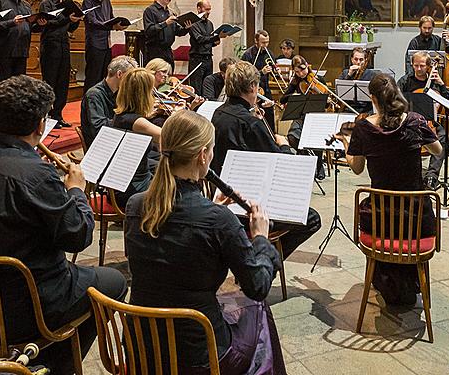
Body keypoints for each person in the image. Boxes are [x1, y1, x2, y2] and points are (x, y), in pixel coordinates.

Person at [0, 75, 128, 373]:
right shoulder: (36, 175)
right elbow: (77, 236)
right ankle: (53, 364)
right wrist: (75, 190)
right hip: (25, 307)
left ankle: (41, 361)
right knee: (114, 283)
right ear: (40, 125)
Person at [125, 110, 286, 373]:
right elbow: (257, 286)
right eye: (211, 150)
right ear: (202, 155)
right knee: (258, 309)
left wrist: (209, 209)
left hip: (142, 345)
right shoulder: (219, 220)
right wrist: (261, 239)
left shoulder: (135, 205)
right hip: (199, 353)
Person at [336, 73, 442, 306]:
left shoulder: (363, 128)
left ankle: (387, 281)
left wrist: (346, 142)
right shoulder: (414, 121)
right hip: (416, 220)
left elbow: (356, 168)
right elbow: (437, 150)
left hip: (380, 219)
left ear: (372, 98)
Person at [210, 61, 322, 260]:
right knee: (311, 219)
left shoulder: (218, 113)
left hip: (221, 199)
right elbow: (280, 164)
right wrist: (284, 144)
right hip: (247, 206)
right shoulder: (251, 123)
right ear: (253, 87)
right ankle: (262, 261)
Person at [112, 68, 163, 209]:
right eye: (151, 92)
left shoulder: (121, 115)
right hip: (134, 188)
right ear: (143, 95)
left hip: (123, 181)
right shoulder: (137, 122)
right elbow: (168, 136)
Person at [397, 52, 449, 184]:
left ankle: (432, 175)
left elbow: (448, 101)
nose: (418, 68)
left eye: (422, 65)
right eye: (416, 65)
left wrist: (442, 84)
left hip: (430, 122)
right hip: (409, 121)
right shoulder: (405, 81)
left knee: (442, 136)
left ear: (428, 66)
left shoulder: (435, 82)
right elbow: (396, 99)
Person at [36, 0, 84, 125]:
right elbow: (49, 23)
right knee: (50, 80)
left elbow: (69, 28)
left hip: (64, 45)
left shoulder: (67, 4)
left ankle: (57, 115)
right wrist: (67, 19)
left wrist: (74, 21)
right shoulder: (46, 4)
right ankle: (47, 115)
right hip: (50, 45)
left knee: (63, 82)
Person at [80, 55, 137, 148]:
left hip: (117, 140)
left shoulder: (120, 92)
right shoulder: (94, 94)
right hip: (101, 146)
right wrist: (126, 121)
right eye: (130, 77)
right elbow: (98, 128)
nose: (132, 81)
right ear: (119, 74)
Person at [83, 0, 127, 90]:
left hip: (106, 43)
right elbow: (92, 21)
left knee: (104, 76)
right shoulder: (88, 1)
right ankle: (89, 104)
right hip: (94, 43)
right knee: (93, 77)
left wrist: (118, 25)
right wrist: (112, 26)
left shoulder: (106, 0)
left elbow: (111, 18)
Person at [142, 0, 189, 66]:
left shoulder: (171, 12)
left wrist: (187, 27)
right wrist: (165, 23)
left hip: (168, 51)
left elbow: (178, 32)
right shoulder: (150, 10)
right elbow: (149, 30)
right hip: (154, 51)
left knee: (169, 75)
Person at [188, 0, 227, 94]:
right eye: (206, 9)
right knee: (196, 88)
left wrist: (215, 42)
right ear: (199, 8)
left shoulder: (210, 24)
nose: (209, 12)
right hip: (197, 59)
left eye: (210, 9)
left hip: (208, 59)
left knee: (207, 86)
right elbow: (200, 39)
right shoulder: (193, 23)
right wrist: (216, 37)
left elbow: (208, 41)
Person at [240, 30, 277, 130]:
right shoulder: (248, 55)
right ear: (256, 41)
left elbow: (274, 72)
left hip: (266, 90)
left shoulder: (269, 54)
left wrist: (275, 71)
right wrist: (261, 72)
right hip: (252, 91)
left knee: (269, 118)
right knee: (255, 118)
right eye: (263, 42)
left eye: (267, 42)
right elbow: (244, 75)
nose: (265, 45)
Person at [338, 47, 378, 113]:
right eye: (356, 59)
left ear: (365, 61)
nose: (358, 62)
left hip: (366, 110)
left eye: (361, 59)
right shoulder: (345, 73)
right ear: (352, 59)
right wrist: (349, 75)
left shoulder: (372, 75)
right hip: (348, 109)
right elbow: (339, 94)